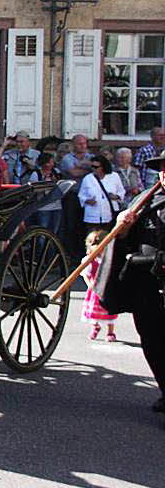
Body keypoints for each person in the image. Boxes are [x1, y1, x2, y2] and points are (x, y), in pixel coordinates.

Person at [99, 161, 165, 415]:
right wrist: (123, 226)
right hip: (147, 280)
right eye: (163, 169)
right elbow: (123, 240)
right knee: (152, 338)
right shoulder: (144, 200)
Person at [81, 229, 118, 342]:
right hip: (96, 290)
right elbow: (85, 274)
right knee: (95, 311)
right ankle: (95, 326)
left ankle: (110, 332)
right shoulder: (90, 261)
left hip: (108, 288)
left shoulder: (109, 258)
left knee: (109, 311)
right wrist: (89, 284)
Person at [79, 154, 125, 233]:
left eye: (96, 167)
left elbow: (121, 191)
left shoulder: (114, 176)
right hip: (93, 215)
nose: (93, 169)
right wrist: (87, 201)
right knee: (92, 239)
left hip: (110, 214)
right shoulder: (88, 178)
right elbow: (81, 195)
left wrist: (116, 197)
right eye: (92, 166)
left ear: (103, 167)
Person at [27, 153, 62, 234]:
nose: (52, 164)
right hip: (43, 208)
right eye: (50, 162)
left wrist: (55, 181)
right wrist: (44, 181)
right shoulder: (36, 174)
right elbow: (32, 191)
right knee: (42, 232)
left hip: (57, 207)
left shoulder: (56, 172)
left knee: (54, 232)